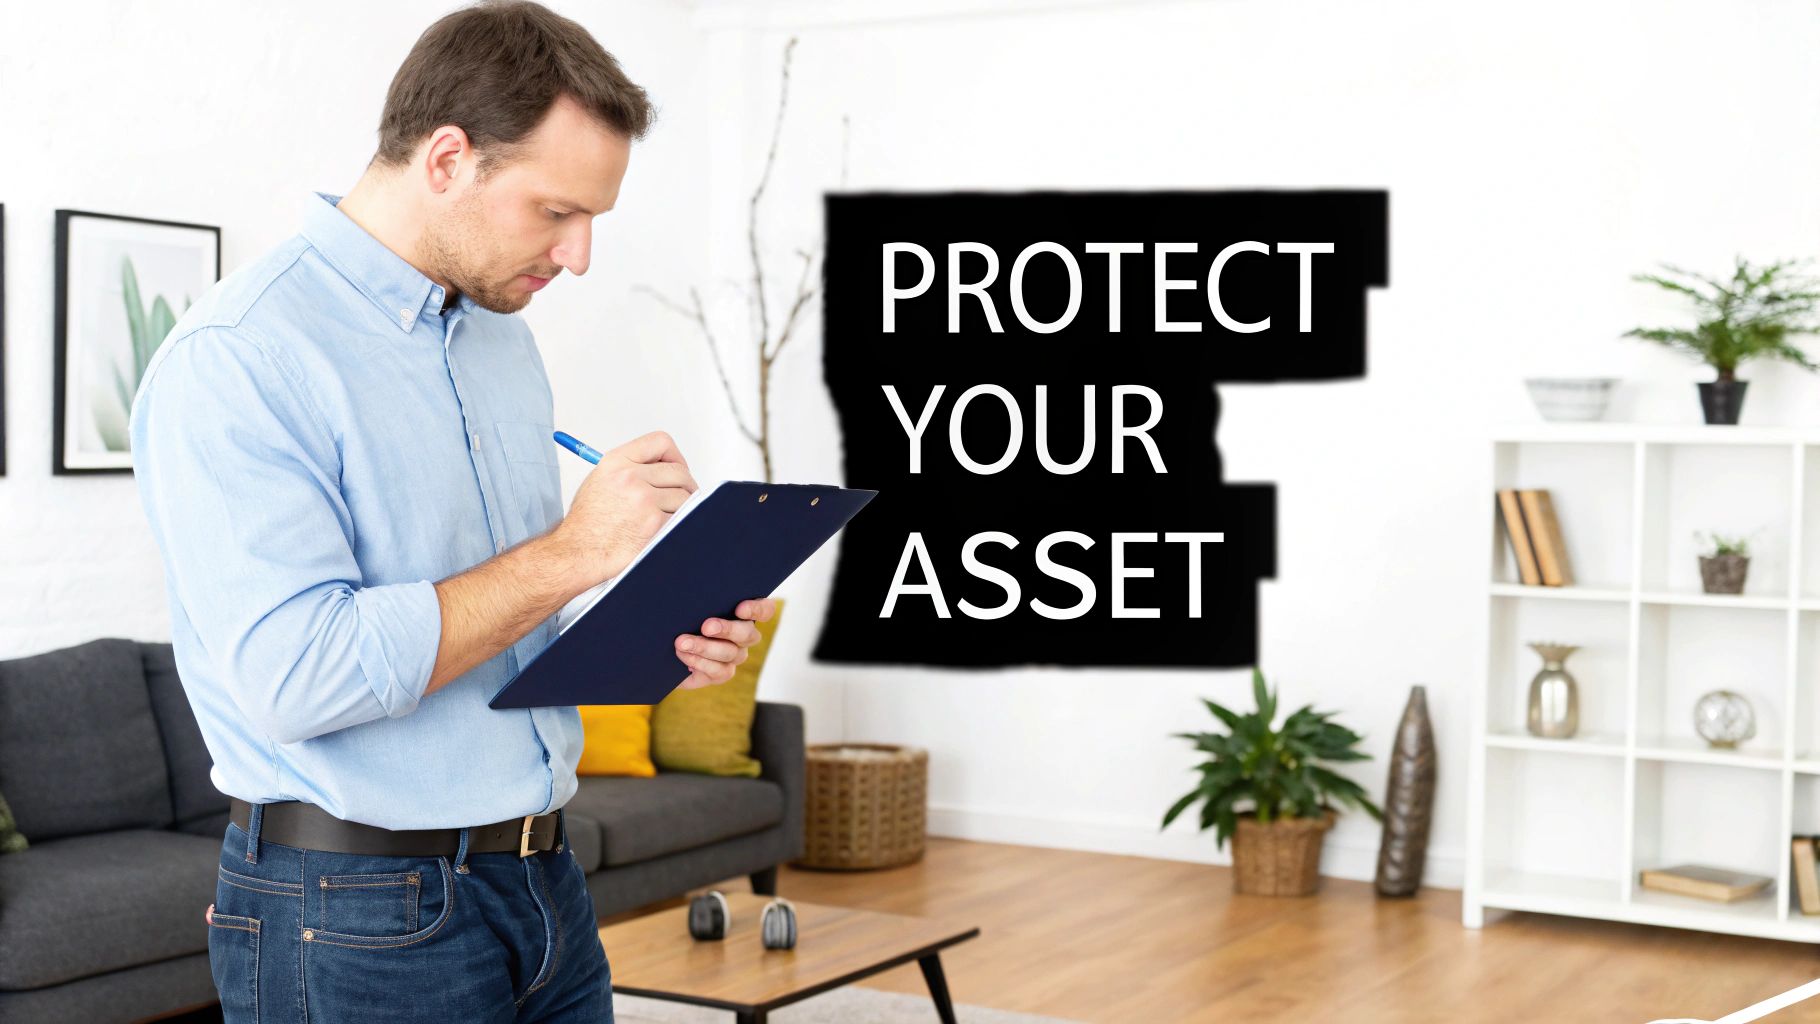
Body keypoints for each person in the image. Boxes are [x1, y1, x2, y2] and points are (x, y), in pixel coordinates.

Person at [127, 2, 772, 1020]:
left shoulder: (497, 339)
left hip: (542, 881)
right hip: (351, 914)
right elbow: (298, 678)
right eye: (556, 211)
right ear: (445, 160)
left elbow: (497, 622)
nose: (580, 256)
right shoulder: (239, 359)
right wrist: (571, 553)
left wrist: (652, 640)